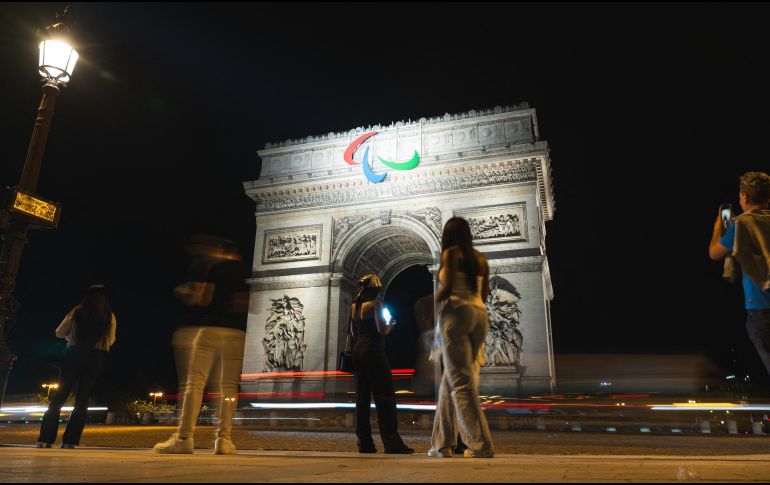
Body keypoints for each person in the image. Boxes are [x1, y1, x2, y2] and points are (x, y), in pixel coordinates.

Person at [154, 237, 249, 455]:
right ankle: (224, 440)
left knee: (193, 384)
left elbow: (202, 298)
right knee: (228, 388)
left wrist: (183, 292)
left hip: (209, 330)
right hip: (236, 333)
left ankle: (184, 437)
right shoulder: (246, 271)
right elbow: (249, 303)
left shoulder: (210, 266)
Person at [428, 216, 495, 458]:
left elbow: (445, 291)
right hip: (479, 314)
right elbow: (485, 295)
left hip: (456, 314)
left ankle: (480, 445)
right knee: (452, 381)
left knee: (461, 384)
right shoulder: (481, 259)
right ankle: (441, 444)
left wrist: (426, 303)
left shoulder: (451, 254)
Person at [36, 285, 117, 449]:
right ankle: (70, 441)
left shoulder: (77, 311)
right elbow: (112, 340)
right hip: (95, 357)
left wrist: (71, 336)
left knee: (59, 396)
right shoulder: (109, 316)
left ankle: (45, 439)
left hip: (73, 353)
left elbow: (59, 332)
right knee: (82, 399)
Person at [709, 171, 770, 378]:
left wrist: (719, 228)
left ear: (744, 197)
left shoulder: (741, 224)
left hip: (761, 309)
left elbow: (715, 253)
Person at [350, 274, 414, 454]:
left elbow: (354, 334)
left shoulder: (354, 307)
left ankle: (365, 443)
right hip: (374, 351)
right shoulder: (376, 305)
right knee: (384, 397)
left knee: (361, 399)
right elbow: (381, 330)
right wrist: (391, 324)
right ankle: (392, 443)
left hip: (358, 352)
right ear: (375, 290)